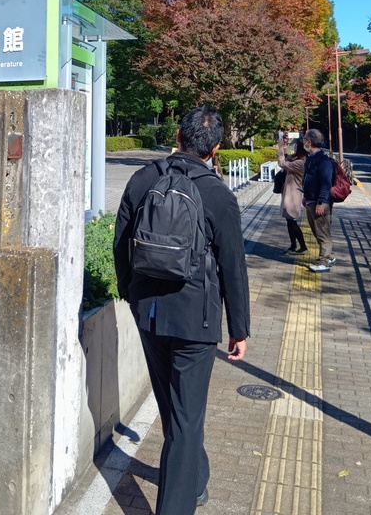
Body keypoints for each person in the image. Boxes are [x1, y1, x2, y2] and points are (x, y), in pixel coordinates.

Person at [114, 108, 250, 515]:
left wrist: (130, 294)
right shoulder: (218, 195)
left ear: (177, 136)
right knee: (186, 418)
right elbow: (233, 267)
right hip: (196, 320)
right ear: (216, 148)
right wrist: (239, 328)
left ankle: (197, 479)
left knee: (175, 409)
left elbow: (121, 242)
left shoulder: (144, 178)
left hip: (149, 313)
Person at [301, 128, 336, 272]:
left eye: (304, 140)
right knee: (318, 231)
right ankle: (329, 256)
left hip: (319, 202)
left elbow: (326, 183)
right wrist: (306, 196)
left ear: (309, 142)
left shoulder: (322, 160)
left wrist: (321, 202)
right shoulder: (311, 158)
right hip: (311, 200)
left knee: (322, 233)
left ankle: (324, 261)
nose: (303, 142)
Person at [277, 137, 307, 255]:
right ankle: (293, 245)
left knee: (291, 220)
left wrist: (280, 148)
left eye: (295, 145)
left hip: (293, 193)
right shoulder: (298, 159)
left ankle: (303, 246)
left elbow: (282, 163)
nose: (293, 147)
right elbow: (287, 158)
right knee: (289, 220)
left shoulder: (300, 162)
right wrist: (284, 147)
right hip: (289, 191)